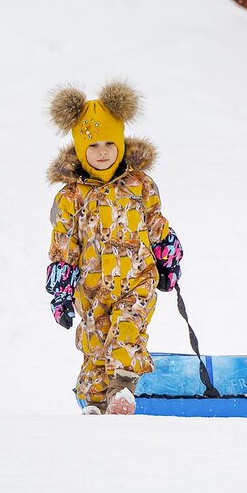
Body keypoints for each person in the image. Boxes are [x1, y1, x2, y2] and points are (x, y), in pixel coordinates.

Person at [45, 81, 182, 415]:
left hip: (137, 279)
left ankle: (122, 392)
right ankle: (95, 402)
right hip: (92, 288)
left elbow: (155, 224)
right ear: (79, 148)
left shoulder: (140, 185)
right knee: (95, 342)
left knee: (127, 330)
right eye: (93, 145)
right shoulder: (70, 196)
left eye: (109, 142)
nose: (102, 151)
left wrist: (168, 260)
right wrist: (61, 293)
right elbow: (64, 246)